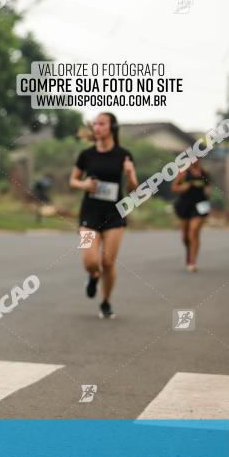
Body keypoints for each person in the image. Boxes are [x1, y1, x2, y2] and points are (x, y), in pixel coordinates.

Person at [69, 112, 138, 319]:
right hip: (89, 214)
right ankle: (93, 275)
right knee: (89, 261)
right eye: (95, 124)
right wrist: (85, 184)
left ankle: (106, 302)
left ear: (112, 128)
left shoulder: (124, 155)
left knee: (108, 262)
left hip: (115, 215)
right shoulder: (86, 155)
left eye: (102, 123)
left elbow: (134, 189)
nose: (97, 127)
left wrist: (130, 173)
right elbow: (73, 181)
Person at [171, 158, 211, 272]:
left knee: (194, 232)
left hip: (200, 206)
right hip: (185, 205)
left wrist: (207, 192)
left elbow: (208, 187)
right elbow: (174, 188)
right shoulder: (183, 173)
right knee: (185, 237)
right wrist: (182, 187)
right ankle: (189, 255)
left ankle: (192, 262)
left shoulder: (204, 173)